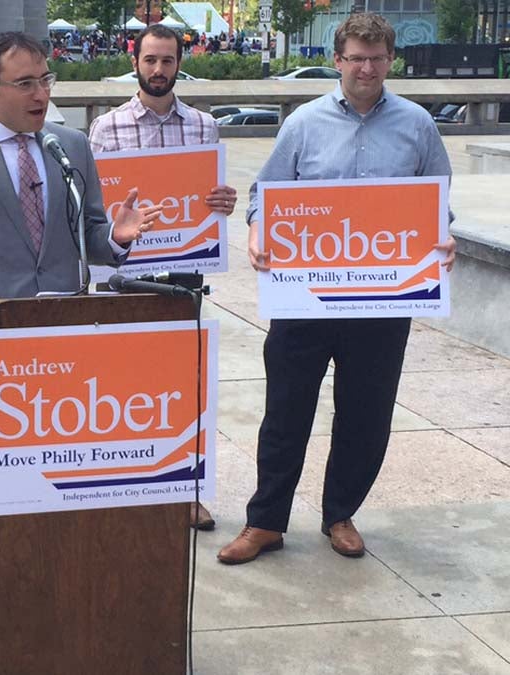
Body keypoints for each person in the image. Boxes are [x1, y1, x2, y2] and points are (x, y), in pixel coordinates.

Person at [0, 32, 160, 598]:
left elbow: (86, 233)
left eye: (46, 80)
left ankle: (55, 600)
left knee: (59, 490)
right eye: (25, 83)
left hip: (66, 364)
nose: (41, 94)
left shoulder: (70, 147)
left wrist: (114, 239)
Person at [217, 13, 457, 565]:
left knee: (366, 413)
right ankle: (265, 522)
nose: (366, 68)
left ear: (389, 61)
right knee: (285, 410)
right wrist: (257, 230)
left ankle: (340, 514)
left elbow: (437, 206)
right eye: (355, 58)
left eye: (376, 59)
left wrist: (442, 238)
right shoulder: (303, 122)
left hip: (384, 299)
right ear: (338, 60)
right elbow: (265, 194)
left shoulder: (418, 125)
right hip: (305, 297)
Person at [87, 24, 237, 532]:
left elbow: (212, 200)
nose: (158, 70)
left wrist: (225, 204)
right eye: (150, 60)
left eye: (167, 61)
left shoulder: (203, 126)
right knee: (123, 382)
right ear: (135, 60)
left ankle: (186, 489)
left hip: (184, 270)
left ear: (179, 62)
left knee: (184, 381)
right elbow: (93, 209)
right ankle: (126, 483)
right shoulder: (105, 129)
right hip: (128, 271)